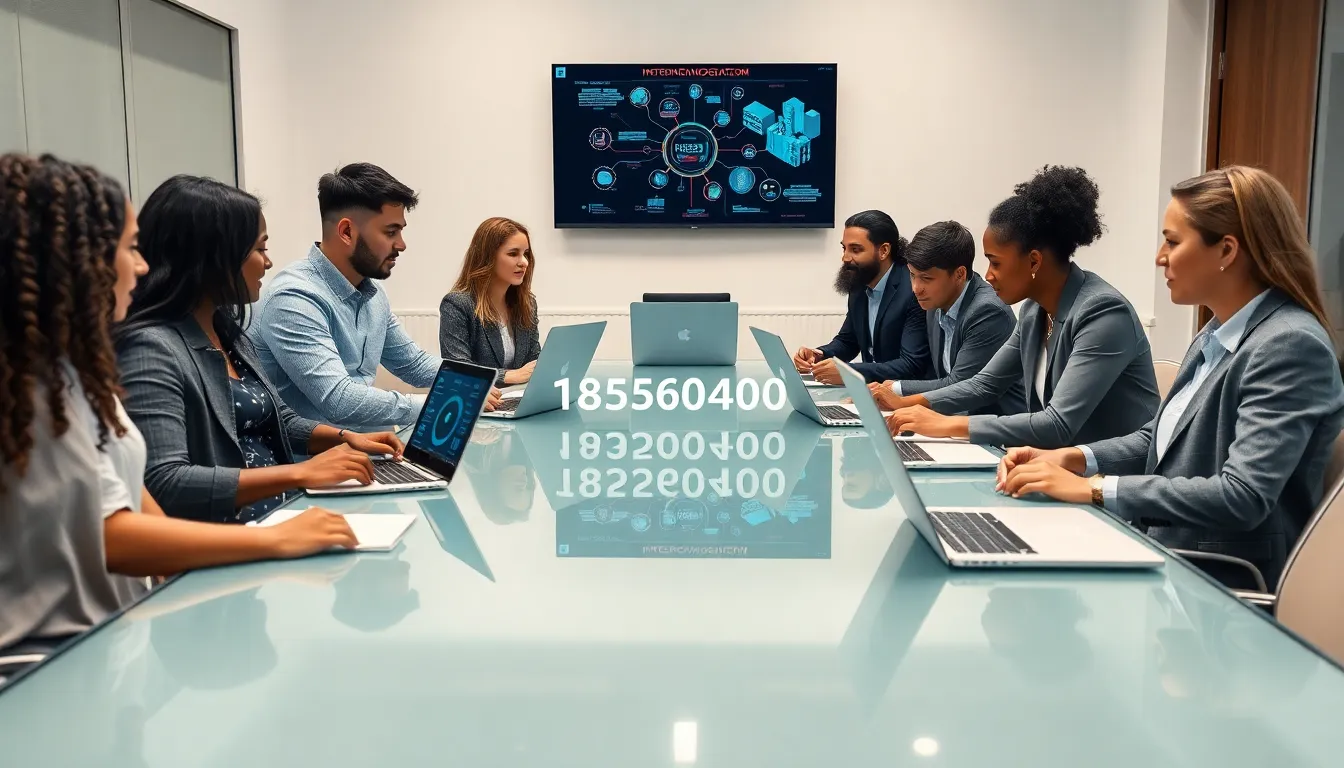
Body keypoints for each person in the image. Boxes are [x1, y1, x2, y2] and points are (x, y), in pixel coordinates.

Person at [0, 153, 357, 656]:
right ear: (75, 263)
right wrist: (275, 538)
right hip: (49, 654)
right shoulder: (32, 393)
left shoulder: (76, 375)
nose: (142, 266)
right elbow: (113, 532)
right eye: (129, 249)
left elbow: (133, 496)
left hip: (114, 632)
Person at [998, 167, 1344, 588]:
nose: (1160, 256)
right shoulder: (1216, 332)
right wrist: (1075, 458)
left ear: (1227, 251)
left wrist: (1096, 488)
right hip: (1165, 552)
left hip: (1221, 585)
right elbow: (1156, 440)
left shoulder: (1289, 345)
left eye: (1173, 241)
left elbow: (1243, 497)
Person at [117, 175, 405, 524]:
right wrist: (300, 474)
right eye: (260, 249)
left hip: (281, 515)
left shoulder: (228, 333)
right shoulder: (151, 347)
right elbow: (166, 484)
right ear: (214, 257)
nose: (267, 263)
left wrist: (345, 438)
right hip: (234, 535)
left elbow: (279, 420)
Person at [885, 166, 1159, 447]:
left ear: (1034, 262)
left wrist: (945, 424)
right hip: (1055, 468)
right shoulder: (1033, 311)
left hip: (1113, 478)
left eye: (996, 262)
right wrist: (905, 404)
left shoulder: (1103, 312)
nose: (988, 274)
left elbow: (1057, 424)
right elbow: (985, 384)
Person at [248, 162, 499, 430]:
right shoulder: (294, 298)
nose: (401, 244)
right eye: (391, 232)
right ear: (347, 232)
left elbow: (412, 363)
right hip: (317, 461)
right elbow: (339, 400)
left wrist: (479, 381)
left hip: (371, 448)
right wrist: (448, 401)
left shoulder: (372, 292)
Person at [866, 220, 1023, 415]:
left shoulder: (988, 311)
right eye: (912, 275)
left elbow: (959, 384)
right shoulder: (935, 301)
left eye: (926, 278)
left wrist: (895, 390)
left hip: (995, 434)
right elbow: (936, 375)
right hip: (951, 420)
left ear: (959, 274)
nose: (916, 288)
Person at [792, 210, 931, 384]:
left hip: (906, 397)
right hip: (873, 391)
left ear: (884, 251)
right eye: (844, 248)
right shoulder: (859, 282)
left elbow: (911, 365)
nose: (845, 257)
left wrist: (848, 372)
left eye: (855, 250)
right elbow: (848, 341)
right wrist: (819, 355)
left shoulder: (913, 290)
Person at [439, 217, 541, 387]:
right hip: (481, 403)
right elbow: (458, 370)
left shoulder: (527, 304)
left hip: (518, 399)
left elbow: (533, 363)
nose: (524, 262)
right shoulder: (457, 305)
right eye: (513, 253)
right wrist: (507, 376)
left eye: (526, 254)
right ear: (488, 258)